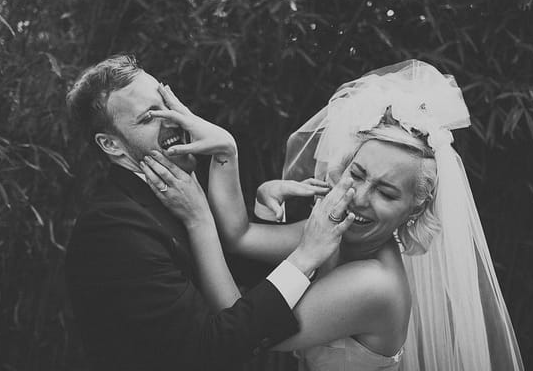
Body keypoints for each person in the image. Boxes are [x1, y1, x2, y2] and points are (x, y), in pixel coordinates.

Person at [142, 60, 524, 370]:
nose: (359, 196)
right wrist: (227, 152)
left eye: (387, 192)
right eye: (356, 174)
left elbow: (238, 329)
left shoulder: (375, 285)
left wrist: (196, 219)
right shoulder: (335, 232)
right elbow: (240, 236)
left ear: (415, 208)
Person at [63, 54, 355, 371]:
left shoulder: (179, 188)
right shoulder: (110, 229)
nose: (171, 119)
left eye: (166, 104)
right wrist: (307, 255)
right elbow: (211, 349)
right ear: (111, 145)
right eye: (149, 117)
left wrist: (232, 159)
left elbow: (250, 279)